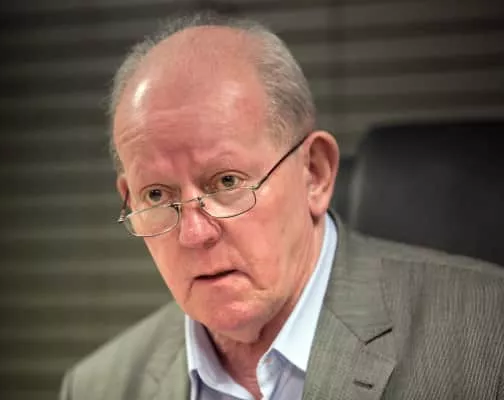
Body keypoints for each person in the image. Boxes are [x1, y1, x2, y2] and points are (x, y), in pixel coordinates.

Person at [60, 13, 504, 400]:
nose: (193, 234)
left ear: (315, 173)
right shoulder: (97, 387)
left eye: (227, 181)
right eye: (156, 195)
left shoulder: (488, 332)